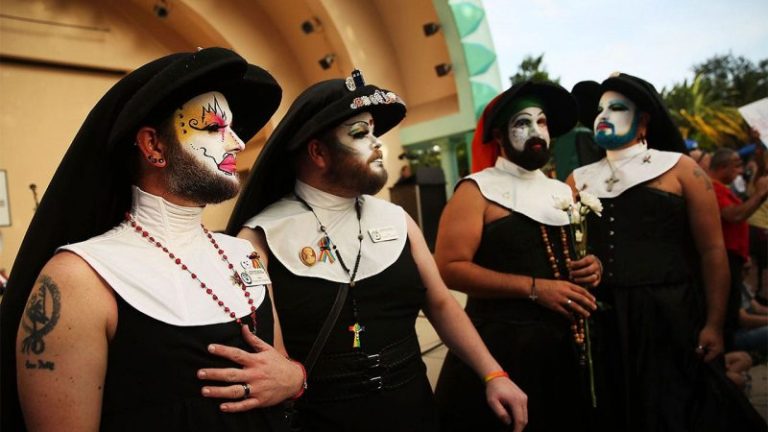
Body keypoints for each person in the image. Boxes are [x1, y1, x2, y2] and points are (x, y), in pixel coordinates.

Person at [1, 48, 304, 431]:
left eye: (233, 128)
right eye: (213, 128)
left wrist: (295, 379)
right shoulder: (79, 278)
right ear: (154, 146)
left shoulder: (243, 253)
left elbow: (281, 362)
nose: (239, 144)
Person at [225, 70, 528, 432]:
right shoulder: (258, 238)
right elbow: (274, 358)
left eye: (373, 131)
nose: (377, 143)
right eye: (359, 133)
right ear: (317, 152)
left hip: (416, 411)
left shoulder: (398, 220)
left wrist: (493, 373)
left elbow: (442, 304)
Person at [568, 72, 766, 431]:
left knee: (678, 408)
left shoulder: (682, 169)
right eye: (599, 109)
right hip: (604, 321)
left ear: (644, 121)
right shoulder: (576, 179)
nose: (603, 116)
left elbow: (711, 251)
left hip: (671, 315)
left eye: (616, 107)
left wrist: (714, 324)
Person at [432, 80, 601, 431]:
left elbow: (575, 253)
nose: (536, 132)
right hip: (500, 349)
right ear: (499, 135)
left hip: (564, 352)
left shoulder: (564, 191)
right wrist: (535, 288)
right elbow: (448, 268)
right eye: (523, 123)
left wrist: (592, 265)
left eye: (541, 122)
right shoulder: (475, 190)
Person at [708, 147, 768, 349]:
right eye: (736, 165)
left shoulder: (724, 187)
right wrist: (760, 195)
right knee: (730, 313)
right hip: (724, 258)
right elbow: (734, 215)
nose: (740, 171)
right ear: (722, 167)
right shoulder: (712, 189)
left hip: (734, 258)